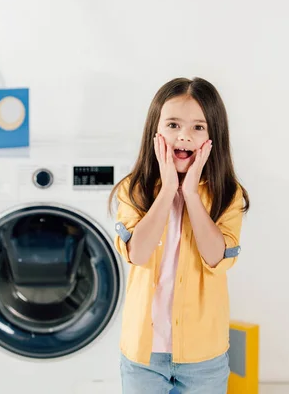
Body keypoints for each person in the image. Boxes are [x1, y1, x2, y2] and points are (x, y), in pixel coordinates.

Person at [108, 77, 249, 394]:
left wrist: (191, 195)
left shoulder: (228, 194)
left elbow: (216, 258)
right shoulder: (134, 189)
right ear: (154, 132)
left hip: (203, 356)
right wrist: (168, 188)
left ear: (214, 136)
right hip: (143, 355)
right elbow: (138, 254)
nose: (184, 136)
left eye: (198, 127)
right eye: (173, 124)